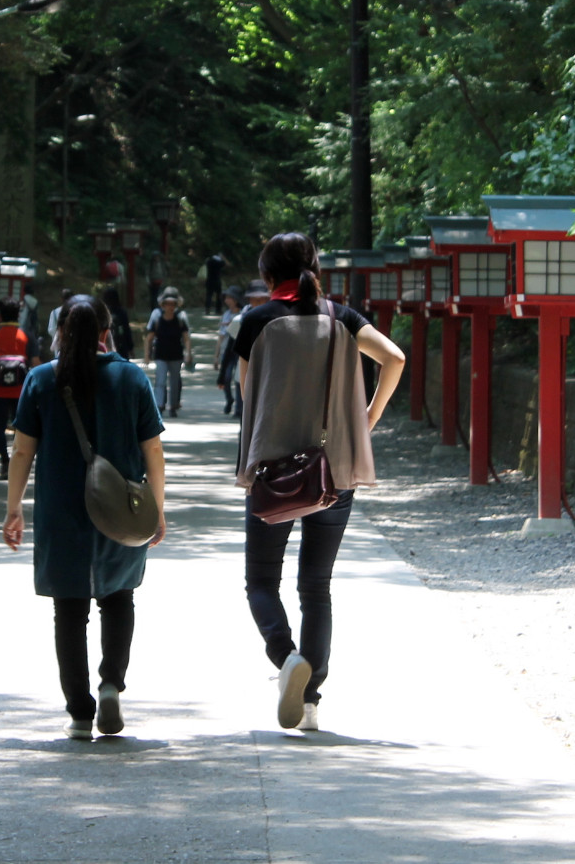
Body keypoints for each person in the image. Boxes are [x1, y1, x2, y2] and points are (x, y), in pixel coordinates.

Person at [234, 233, 404, 732]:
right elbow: (394, 358)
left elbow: (248, 396)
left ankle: (287, 660)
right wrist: (364, 424)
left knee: (262, 581)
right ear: (313, 267)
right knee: (317, 586)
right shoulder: (343, 319)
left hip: (274, 475)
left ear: (269, 275)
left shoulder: (257, 322)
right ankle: (310, 702)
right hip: (334, 471)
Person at [4, 294, 167, 739]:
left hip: (61, 511)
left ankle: (79, 711)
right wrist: (158, 506)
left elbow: (22, 449)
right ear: (105, 330)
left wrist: (14, 507)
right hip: (120, 510)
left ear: (60, 331)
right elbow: (152, 448)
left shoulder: (40, 379)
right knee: (119, 597)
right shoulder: (132, 379)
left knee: (69, 611)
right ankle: (111, 683)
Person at [0, 299, 38, 471]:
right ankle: (17, 458)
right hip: (21, 390)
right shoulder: (26, 336)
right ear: (18, 314)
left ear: (0, 313)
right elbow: (35, 363)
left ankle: (4, 461)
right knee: (20, 427)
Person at [143, 286, 193, 417]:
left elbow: (186, 338)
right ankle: (159, 405)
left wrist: (188, 353)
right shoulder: (157, 316)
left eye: (173, 304)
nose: (170, 306)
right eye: (167, 303)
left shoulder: (180, 317)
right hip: (160, 354)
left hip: (176, 355)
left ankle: (173, 406)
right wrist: (146, 356)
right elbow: (149, 338)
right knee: (160, 381)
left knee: (174, 382)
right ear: (163, 304)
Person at [216, 285, 244, 415]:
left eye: (229, 297)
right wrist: (216, 355)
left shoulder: (243, 314)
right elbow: (221, 336)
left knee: (239, 378)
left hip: (239, 350)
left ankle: (239, 407)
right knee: (226, 377)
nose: (227, 300)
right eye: (226, 297)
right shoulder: (226, 314)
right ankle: (229, 399)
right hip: (227, 350)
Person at [101, 284, 134, 359]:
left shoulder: (102, 312)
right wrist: (131, 348)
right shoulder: (122, 312)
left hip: (105, 347)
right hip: (121, 347)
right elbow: (127, 331)